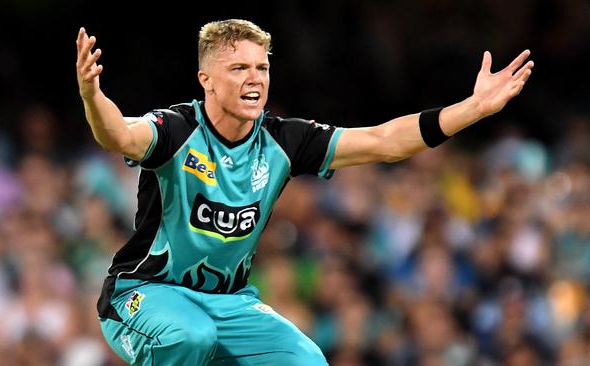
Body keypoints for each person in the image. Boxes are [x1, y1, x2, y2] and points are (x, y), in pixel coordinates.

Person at [75, 19, 533, 366]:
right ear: (206, 80)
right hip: (144, 293)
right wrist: (92, 95)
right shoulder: (174, 129)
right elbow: (117, 135)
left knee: (306, 360)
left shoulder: (283, 141)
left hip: (229, 303)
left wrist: (472, 109)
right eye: (238, 68)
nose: (254, 78)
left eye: (262, 67)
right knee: (188, 337)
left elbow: (384, 142)